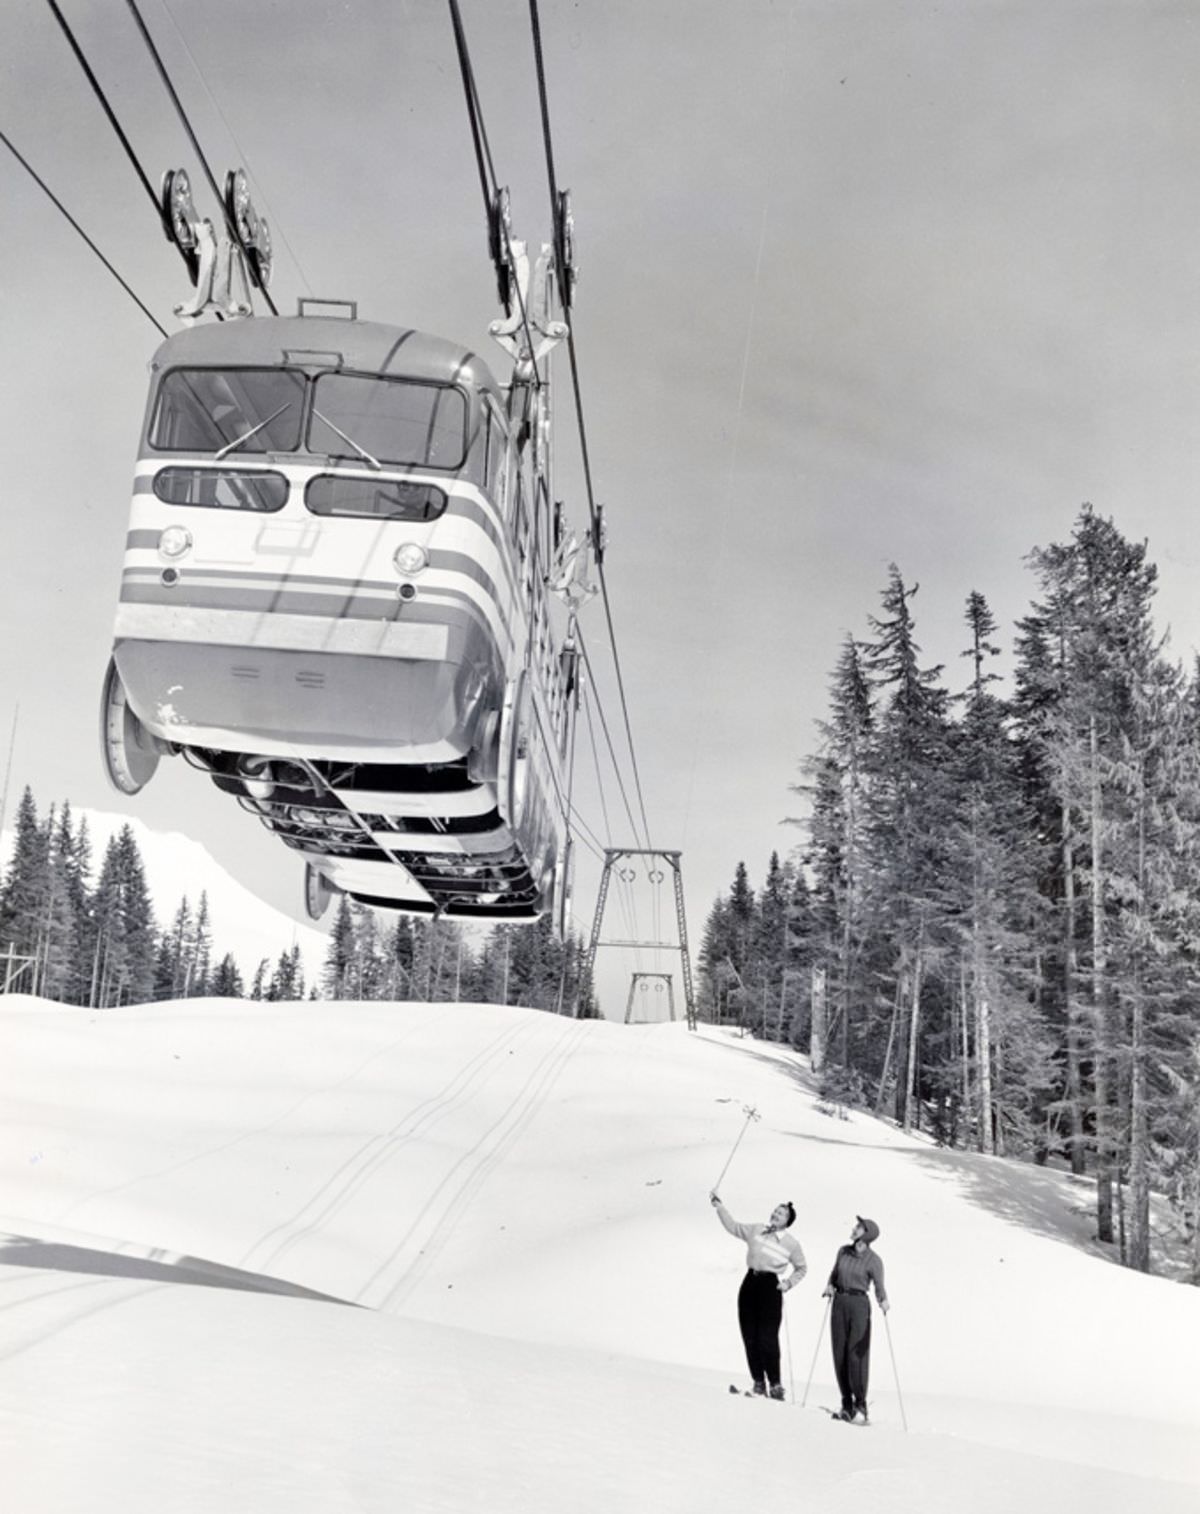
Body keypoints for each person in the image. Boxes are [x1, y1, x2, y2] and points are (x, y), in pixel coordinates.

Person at [710, 1191, 807, 1399]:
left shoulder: (791, 1243)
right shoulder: (757, 1230)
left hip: (770, 1287)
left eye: (781, 1214)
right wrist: (719, 1206)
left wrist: (788, 1283)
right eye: (775, 1211)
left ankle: (775, 1385)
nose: (775, 1214)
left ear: (788, 1221)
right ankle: (758, 1383)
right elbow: (733, 1226)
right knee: (750, 1336)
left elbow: (801, 1268)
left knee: (768, 1337)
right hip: (750, 1283)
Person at [822, 1216, 888, 1423]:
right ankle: (846, 1404)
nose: (854, 1229)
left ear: (867, 1234)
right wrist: (830, 1285)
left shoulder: (874, 1260)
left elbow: (879, 1285)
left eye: (859, 1227)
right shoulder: (843, 1251)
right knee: (839, 1352)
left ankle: (861, 1405)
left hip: (859, 1305)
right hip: (839, 1301)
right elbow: (834, 1274)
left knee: (856, 1355)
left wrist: (883, 1300)